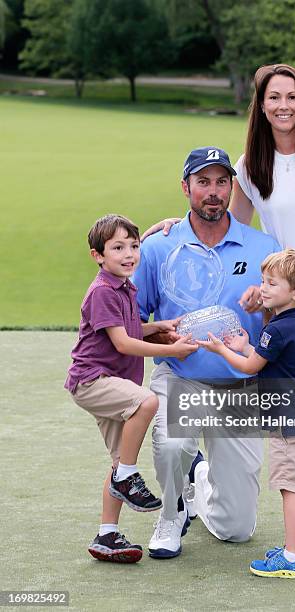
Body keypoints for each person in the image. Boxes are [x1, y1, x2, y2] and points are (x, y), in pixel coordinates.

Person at [142, 64, 295, 549]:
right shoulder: (251, 165)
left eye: (292, 96)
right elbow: (233, 225)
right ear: (262, 105)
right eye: (274, 97)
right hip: (281, 304)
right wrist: (178, 220)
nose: (284, 105)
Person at [132, 146, 281, 559]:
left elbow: (286, 313)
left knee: (237, 530)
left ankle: (199, 477)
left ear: (232, 187)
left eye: (221, 182)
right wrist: (165, 341)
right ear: (186, 187)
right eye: (202, 182)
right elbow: (131, 321)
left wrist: (265, 307)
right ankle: (171, 511)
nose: (212, 191)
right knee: (174, 444)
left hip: (239, 384)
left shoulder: (263, 245)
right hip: (181, 376)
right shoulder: (159, 246)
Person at [64, 214, 197, 563]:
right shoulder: (103, 291)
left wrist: (157, 328)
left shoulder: (124, 285)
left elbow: (131, 328)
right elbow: (123, 343)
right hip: (94, 380)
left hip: (111, 382)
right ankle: (127, 475)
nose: (129, 254)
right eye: (118, 248)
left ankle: (107, 534)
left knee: (118, 457)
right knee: (147, 402)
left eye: (134, 246)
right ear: (98, 255)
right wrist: (171, 350)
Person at [198, 249, 295, 579]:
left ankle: (292, 556)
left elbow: (252, 367)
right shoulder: (291, 323)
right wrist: (242, 346)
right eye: (263, 281)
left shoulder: (277, 328)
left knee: (289, 487)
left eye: (272, 283)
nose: (263, 289)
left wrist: (221, 349)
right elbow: (263, 356)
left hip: (288, 421)